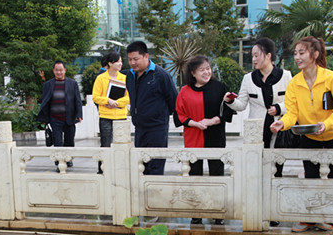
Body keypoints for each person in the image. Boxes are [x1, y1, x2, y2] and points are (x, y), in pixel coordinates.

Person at [269, 36, 333, 233]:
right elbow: (292, 113)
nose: (297, 57)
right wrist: (282, 123)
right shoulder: (295, 83)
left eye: (301, 53)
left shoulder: (332, 78)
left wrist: (325, 125)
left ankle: (332, 219)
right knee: (310, 176)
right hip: (309, 136)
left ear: (315, 54)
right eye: (295, 53)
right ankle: (309, 218)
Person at [176, 55, 233, 225]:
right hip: (194, 138)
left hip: (215, 138)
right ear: (193, 73)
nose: (207, 72)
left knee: (217, 175)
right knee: (195, 176)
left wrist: (211, 121)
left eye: (208, 68)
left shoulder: (219, 87)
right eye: (202, 69)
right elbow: (179, 115)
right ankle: (196, 212)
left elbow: (228, 111)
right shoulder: (184, 91)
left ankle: (218, 213)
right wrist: (195, 124)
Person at [225, 37, 292, 178]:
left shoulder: (285, 76)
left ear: (268, 56)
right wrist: (230, 101)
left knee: (276, 167)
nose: (254, 59)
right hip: (256, 131)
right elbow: (241, 105)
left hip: (278, 129)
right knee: (256, 169)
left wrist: (279, 108)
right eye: (252, 56)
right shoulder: (248, 78)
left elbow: (293, 103)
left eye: (257, 55)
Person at [126, 41, 178, 175]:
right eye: (130, 59)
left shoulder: (161, 75)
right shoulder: (130, 76)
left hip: (157, 128)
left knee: (155, 165)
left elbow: (173, 100)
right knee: (141, 165)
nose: (133, 63)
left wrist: (160, 115)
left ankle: (155, 193)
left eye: (136, 59)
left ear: (146, 56)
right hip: (139, 128)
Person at [37, 61, 82, 171]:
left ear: (65, 70)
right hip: (54, 118)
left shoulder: (72, 83)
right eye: (57, 70)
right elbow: (45, 102)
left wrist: (79, 114)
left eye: (61, 70)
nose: (59, 72)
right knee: (57, 142)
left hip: (70, 117)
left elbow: (78, 100)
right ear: (53, 71)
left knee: (69, 140)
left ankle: (68, 159)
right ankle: (59, 163)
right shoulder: (48, 85)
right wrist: (45, 118)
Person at [92, 52, 129, 174]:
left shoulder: (124, 78)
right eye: (117, 61)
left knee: (121, 144)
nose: (120, 64)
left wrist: (116, 103)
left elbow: (129, 97)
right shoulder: (101, 78)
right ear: (110, 63)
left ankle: (120, 169)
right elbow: (95, 97)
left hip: (120, 116)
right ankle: (102, 169)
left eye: (121, 61)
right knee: (105, 144)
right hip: (106, 116)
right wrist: (108, 100)